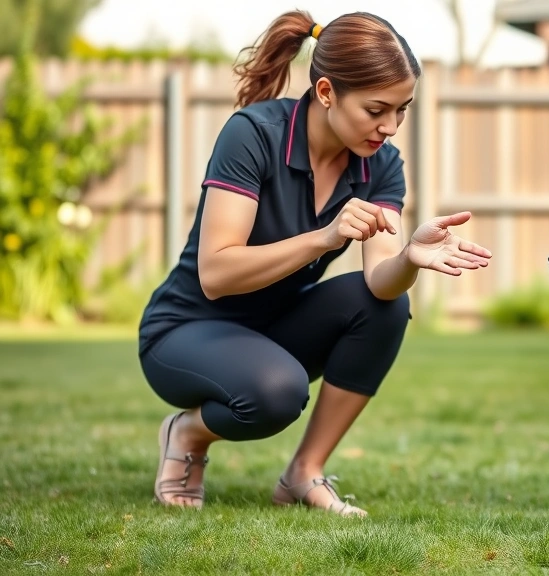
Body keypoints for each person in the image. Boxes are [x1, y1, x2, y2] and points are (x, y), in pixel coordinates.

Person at [137, 9, 491, 516]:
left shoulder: (381, 165)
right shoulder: (252, 134)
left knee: (387, 306)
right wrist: (322, 239)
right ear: (327, 93)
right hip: (187, 329)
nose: (390, 127)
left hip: (271, 331)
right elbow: (216, 274)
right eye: (376, 109)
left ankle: (303, 473)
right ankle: (186, 431)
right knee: (277, 393)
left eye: (402, 110)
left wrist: (410, 257)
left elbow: (379, 281)